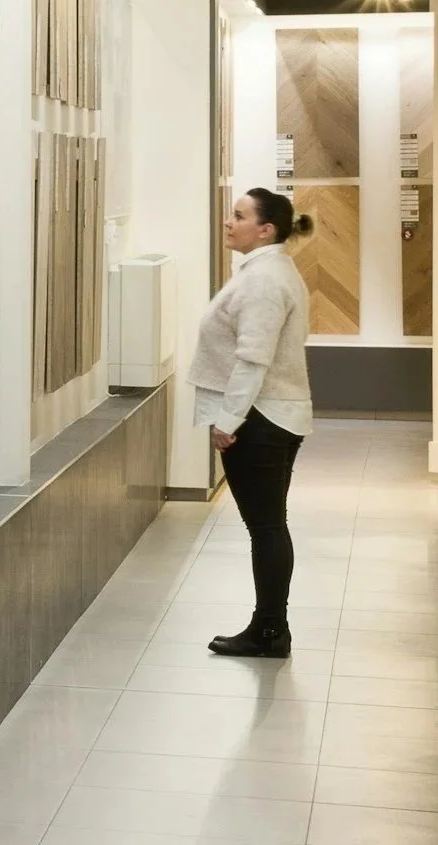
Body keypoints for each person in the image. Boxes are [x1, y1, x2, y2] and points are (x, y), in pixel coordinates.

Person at [187, 188, 314, 659]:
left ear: (267, 229)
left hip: (260, 419)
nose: (228, 222)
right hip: (274, 415)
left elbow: (252, 360)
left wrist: (227, 421)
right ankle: (269, 627)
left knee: (265, 526)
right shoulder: (268, 271)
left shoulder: (263, 280)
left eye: (239, 216)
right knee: (269, 525)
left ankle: (269, 631)